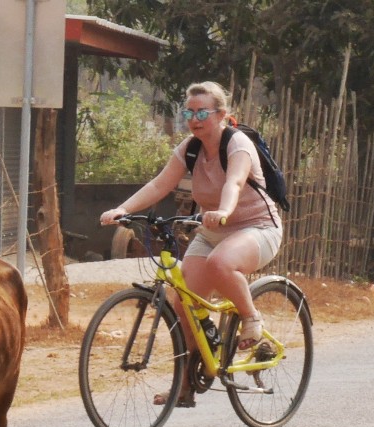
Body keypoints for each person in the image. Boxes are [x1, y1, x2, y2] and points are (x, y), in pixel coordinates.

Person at [99, 81, 282, 407]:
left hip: (258, 228)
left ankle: (251, 318)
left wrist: (224, 210)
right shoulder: (191, 148)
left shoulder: (237, 144)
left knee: (221, 264)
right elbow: (160, 184)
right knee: (182, 304)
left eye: (202, 112)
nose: (194, 119)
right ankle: (184, 388)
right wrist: (123, 210)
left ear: (222, 115)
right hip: (213, 231)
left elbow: (235, 182)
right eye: (189, 112)